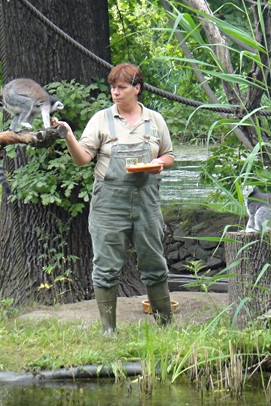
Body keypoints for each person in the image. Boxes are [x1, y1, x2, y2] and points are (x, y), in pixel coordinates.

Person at [53, 63, 175, 336]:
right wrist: (69, 136)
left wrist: (159, 163)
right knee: (106, 267)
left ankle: (166, 328)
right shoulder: (101, 120)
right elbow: (83, 159)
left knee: (155, 264)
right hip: (109, 203)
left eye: (121, 87)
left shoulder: (154, 120)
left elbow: (169, 155)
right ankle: (109, 331)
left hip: (147, 202)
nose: (115, 92)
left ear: (137, 88)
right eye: (112, 87)